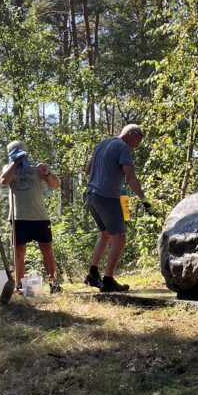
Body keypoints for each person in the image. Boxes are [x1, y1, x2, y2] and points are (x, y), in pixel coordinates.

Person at [84, 124, 148, 293]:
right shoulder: (123, 147)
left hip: (91, 195)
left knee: (105, 234)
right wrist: (144, 199)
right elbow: (130, 177)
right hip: (106, 197)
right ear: (132, 134)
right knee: (119, 237)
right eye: (138, 140)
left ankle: (92, 274)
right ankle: (108, 280)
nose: (137, 145)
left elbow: (87, 171)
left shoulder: (102, 143)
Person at [0, 141, 63, 293]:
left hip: (39, 216)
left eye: (21, 153)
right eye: (15, 153)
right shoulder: (8, 168)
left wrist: (47, 173)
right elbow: (4, 181)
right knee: (19, 252)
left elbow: (56, 184)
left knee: (47, 250)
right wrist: (15, 164)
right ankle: (19, 285)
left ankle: (53, 283)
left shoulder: (36, 167)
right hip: (18, 217)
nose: (19, 156)